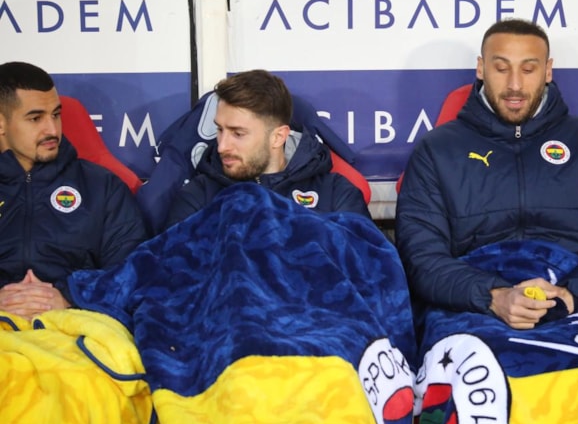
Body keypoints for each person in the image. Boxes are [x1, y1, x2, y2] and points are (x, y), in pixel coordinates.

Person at [395, 18, 578, 328]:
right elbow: (420, 258)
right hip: (473, 312)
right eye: (501, 68)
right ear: (481, 68)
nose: (515, 85)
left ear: (548, 71)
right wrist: (494, 296)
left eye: (529, 69)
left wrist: (570, 295)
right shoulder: (437, 150)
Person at [0, 61, 147, 319]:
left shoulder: (103, 187)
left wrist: (69, 296)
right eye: (35, 118)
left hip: (76, 324)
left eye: (56, 115)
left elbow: (133, 271)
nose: (52, 129)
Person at [165, 69, 370, 227]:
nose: (222, 146)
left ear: (278, 137)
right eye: (220, 130)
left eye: (238, 133)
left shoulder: (335, 193)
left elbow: (367, 263)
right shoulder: (199, 196)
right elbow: (173, 265)